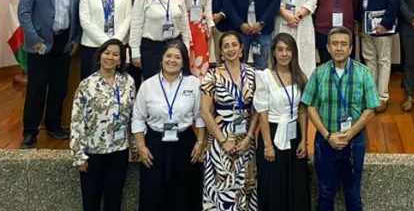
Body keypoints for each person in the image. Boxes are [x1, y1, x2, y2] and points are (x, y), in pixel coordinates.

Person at [301, 27, 379, 211]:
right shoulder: (319, 73)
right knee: (325, 192)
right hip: (325, 141)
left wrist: (349, 135)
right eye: (334, 44)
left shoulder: (363, 72)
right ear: (327, 48)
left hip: (353, 142)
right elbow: (310, 105)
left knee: (352, 193)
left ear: (350, 48)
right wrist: (328, 136)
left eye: (343, 44)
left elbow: (371, 109)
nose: (339, 48)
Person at [18, 0, 84, 149]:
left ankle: (53, 126)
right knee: (36, 89)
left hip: (64, 42)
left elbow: (80, 12)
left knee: (59, 87)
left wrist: (76, 39)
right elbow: (23, 12)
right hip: (41, 42)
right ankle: (30, 132)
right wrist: (34, 39)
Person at [132, 40, 206, 211]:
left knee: (184, 195)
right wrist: (141, 147)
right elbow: (138, 118)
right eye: (169, 56)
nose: (172, 60)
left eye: (177, 57)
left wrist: (200, 142)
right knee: (153, 195)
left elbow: (200, 116)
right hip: (155, 144)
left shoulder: (193, 83)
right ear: (162, 58)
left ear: (183, 61)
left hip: (184, 143)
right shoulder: (147, 85)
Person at [70, 38, 136, 211]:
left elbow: (133, 116)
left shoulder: (128, 82)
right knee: (91, 203)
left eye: (115, 54)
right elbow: (77, 121)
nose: (110, 57)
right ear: (99, 56)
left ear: (121, 59)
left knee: (114, 201)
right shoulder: (86, 85)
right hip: (93, 153)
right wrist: (78, 154)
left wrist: (133, 145)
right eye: (107, 53)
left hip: (119, 151)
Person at [201, 31, 258, 211]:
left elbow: (257, 109)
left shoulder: (253, 74)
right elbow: (205, 112)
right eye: (226, 46)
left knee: (245, 190)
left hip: (246, 142)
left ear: (241, 49)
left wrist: (249, 137)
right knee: (221, 193)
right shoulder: (212, 76)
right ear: (221, 51)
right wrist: (223, 140)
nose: (231, 49)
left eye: (234, 45)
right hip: (220, 141)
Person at [254, 33, 310, 211]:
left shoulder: (301, 77)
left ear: (294, 52)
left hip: (294, 134)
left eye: (288, 49)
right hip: (272, 133)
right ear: (273, 52)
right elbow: (262, 113)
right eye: (280, 49)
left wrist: (304, 140)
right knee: (273, 185)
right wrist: (268, 145)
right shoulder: (264, 77)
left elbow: (302, 109)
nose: (284, 54)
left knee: (296, 185)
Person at [354, 0, 399, 113]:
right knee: (369, 59)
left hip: (382, 22)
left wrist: (385, 23)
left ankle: (383, 97)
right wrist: (357, 20)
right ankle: (372, 95)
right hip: (365, 20)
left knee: (384, 60)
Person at [130, 0, 191, 81]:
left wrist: (186, 47)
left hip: (175, 45)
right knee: (154, 85)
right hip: (151, 48)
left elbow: (184, 23)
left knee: (177, 82)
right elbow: (136, 26)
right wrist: (135, 53)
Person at [78, 0, 132, 80]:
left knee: (117, 82)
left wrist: (115, 42)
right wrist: (107, 43)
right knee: (91, 84)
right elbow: (85, 20)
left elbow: (128, 17)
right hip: (92, 47)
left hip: (119, 45)